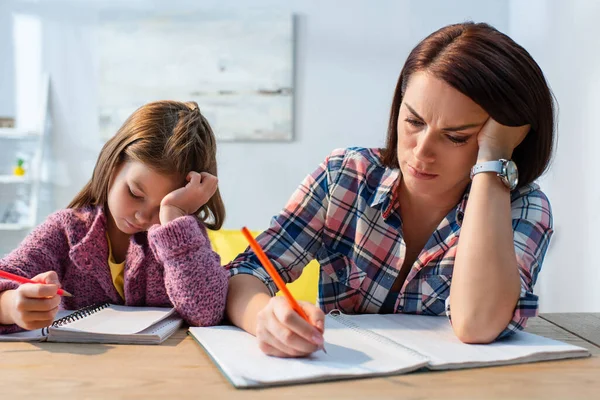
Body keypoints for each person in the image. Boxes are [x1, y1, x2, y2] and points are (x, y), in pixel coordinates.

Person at [226, 22, 555, 357]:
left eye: (456, 137)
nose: (421, 151)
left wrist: (493, 162)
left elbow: (479, 324)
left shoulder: (524, 208)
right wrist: (264, 318)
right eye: (413, 121)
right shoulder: (346, 176)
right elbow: (245, 272)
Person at [0, 100, 228, 333]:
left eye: (162, 207)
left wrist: (173, 218)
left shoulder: (181, 235)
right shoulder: (66, 231)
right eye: (135, 193)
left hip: (158, 366)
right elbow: (6, 275)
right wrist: (9, 307)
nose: (142, 216)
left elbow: (207, 314)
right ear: (113, 165)